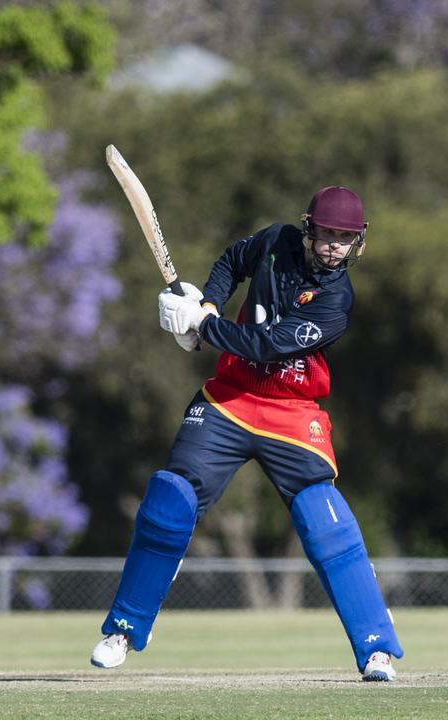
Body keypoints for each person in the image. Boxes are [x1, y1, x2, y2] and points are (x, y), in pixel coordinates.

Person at [89, 186, 403, 681]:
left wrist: (203, 326)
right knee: (170, 497)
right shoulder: (275, 242)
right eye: (326, 234)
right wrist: (208, 304)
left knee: (325, 520)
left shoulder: (336, 300)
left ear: (357, 242)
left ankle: (375, 648)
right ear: (309, 229)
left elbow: (269, 345)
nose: (333, 246)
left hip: (292, 411)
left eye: (344, 238)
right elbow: (233, 260)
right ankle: (124, 630)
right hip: (229, 398)